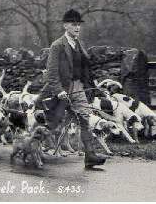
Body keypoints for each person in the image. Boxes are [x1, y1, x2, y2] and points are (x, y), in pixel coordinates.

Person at [37, 9, 107, 169]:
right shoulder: (57, 45)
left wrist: (90, 83)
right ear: (65, 26)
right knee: (52, 123)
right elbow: (52, 72)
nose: (77, 28)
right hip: (62, 89)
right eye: (73, 25)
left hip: (78, 87)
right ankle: (32, 149)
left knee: (85, 118)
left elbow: (84, 68)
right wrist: (59, 90)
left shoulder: (79, 44)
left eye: (79, 25)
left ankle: (90, 156)